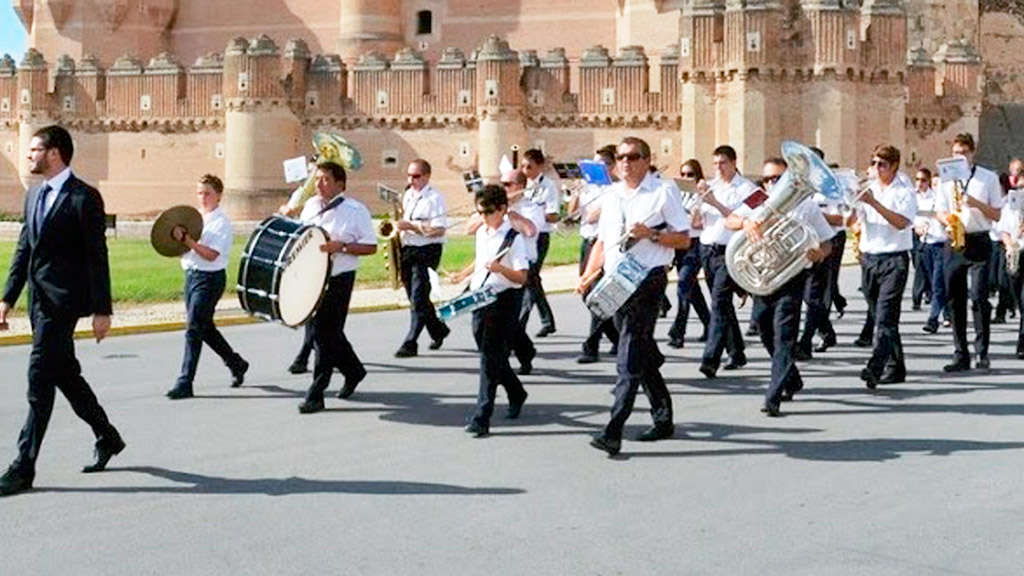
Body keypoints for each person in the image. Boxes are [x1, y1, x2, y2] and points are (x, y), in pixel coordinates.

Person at [0, 125, 125, 496]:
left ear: (54, 153)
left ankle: (23, 467)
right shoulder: (34, 196)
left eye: (35, 149)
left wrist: (102, 310)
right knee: (65, 375)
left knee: (39, 380)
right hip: (39, 304)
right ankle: (108, 436)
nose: (29, 155)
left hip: (64, 305)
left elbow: (96, 258)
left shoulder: (84, 198)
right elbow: (25, 251)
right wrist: (6, 299)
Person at [577, 137, 691, 456]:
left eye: (633, 156)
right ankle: (663, 417)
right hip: (616, 279)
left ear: (646, 160)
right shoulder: (611, 196)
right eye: (620, 157)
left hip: (647, 278)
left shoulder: (663, 192)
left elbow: (683, 240)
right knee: (639, 349)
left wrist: (652, 234)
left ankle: (614, 429)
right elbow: (603, 242)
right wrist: (588, 274)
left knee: (628, 353)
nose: (625, 162)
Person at [727, 159, 834, 415]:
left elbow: (828, 242)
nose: (772, 183)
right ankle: (792, 378)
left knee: (784, 336)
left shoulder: (806, 205)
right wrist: (745, 223)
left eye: (777, 178)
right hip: (763, 278)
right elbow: (728, 220)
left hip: (791, 277)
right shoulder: (756, 199)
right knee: (765, 331)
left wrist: (818, 253)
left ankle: (772, 396)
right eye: (768, 179)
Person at [450, 185, 531, 437]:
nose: (483, 217)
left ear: (503, 209)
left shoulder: (513, 239)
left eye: (487, 212)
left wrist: (500, 270)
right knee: (489, 353)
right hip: (480, 297)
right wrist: (462, 274)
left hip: (505, 299)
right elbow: (481, 260)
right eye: (479, 212)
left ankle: (482, 416)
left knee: (488, 359)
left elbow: (522, 277)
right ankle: (516, 391)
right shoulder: (483, 233)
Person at [296, 161, 377, 414]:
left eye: (325, 180)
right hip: (312, 278)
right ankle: (354, 371)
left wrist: (340, 247)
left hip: (339, 279)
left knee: (322, 334)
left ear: (340, 184)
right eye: (317, 179)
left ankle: (316, 393)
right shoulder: (309, 207)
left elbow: (370, 246)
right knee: (326, 333)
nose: (319, 184)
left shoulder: (355, 210)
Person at [166, 174, 249, 400]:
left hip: (210, 279)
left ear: (219, 196)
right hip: (191, 276)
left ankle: (185, 381)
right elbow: (182, 249)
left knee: (193, 328)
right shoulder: (193, 219)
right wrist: (177, 241)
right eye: (200, 193)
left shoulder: (221, 223)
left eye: (208, 193)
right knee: (204, 328)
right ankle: (236, 363)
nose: (203, 197)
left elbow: (212, 255)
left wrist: (188, 241)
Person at [848, 144, 917, 388]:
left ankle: (875, 368)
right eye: (874, 162)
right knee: (881, 317)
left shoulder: (904, 191)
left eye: (882, 164)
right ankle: (896, 367)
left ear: (894, 166)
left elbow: (901, 222)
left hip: (894, 259)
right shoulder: (868, 188)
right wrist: (850, 205)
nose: (876, 168)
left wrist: (874, 203)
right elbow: (852, 220)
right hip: (869, 258)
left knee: (886, 317)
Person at [934, 133, 1004, 372]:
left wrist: (976, 203)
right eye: (955, 153)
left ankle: (982, 351)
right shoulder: (945, 180)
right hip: (954, 240)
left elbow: (997, 214)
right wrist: (948, 220)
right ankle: (960, 352)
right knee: (955, 299)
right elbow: (938, 210)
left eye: (963, 153)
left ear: (972, 153)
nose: (959, 157)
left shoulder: (988, 178)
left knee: (979, 296)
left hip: (979, 239)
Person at [467, 170, 542, 375]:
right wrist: (490, 212)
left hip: (520, 266)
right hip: (489, 272)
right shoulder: (490, 208)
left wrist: (511, 215)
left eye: (508, 184)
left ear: (519, 186)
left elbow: (530, 231)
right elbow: (470, 227)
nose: (504, 187)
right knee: (505, 324)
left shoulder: (531, 207)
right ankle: (523, 353)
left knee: (510, 321)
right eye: (502, 183)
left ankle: (519, 357)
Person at [696, 145, 755, 378]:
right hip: (707, 249)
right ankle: (736, 351)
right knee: (722, 304)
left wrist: (714, 202)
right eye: (715, 164)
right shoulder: (712, 186)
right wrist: (698, 201)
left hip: (729, 251)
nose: (718, 168)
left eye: (722, 163)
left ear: (733, 162)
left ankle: (710, 358)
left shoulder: (747, 189)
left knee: (719, 304)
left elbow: (740, 220)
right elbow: (698, 221)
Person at [393, 159, 451, 358]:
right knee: (415, 297)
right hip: (408, 249)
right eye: (409, 175)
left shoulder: (435, 198)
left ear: (427, 176)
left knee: (418, 297)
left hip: (427, 250)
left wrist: (412, 226)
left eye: (416, 176)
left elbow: (439, 229)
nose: (411, 180)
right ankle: (438, 329)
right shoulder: (407, 195)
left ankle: (411, 342)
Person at [570, 145, 620, 363]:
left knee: (596, 294)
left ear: (610, 166)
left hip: (603, 244)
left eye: (598, 164)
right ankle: (618, 338)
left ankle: (591, 346)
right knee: (586, 293)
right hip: (586, 241)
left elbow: (592, 216)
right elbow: (573, 214)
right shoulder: (589, 189)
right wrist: (576, 193)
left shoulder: (616, 191)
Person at [667, 159, 710, 349]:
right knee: (692, 290)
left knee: (683, 286)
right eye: (683, 174)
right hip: (680, 244)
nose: (686, 178)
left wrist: (697, 201)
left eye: (690, 174)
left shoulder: (702, 195)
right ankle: (709, 323)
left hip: (695, 243)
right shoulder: (677, 194)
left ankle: (678, 331)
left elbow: (696, 223)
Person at [521, 148, 560, 337]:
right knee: (533, 280)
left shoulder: (549, 186)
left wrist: (538, 213)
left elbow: (553, 214)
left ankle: (520, 322)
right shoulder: (522, 185)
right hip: (524, 236)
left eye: (529, 166)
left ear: (540, 166)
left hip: (540, 236)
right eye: (522, 166)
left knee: (530, 278)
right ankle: (548, 321)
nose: (525, 170)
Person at [913, 168, 950, 333]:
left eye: (937, 184)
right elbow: (915, 219)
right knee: (935, 283)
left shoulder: (944, 202)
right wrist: (918, 227)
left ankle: (933, 319)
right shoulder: (921, 200)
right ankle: (948, 312)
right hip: (927, 244)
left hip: (942, 244)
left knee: (938, 283)